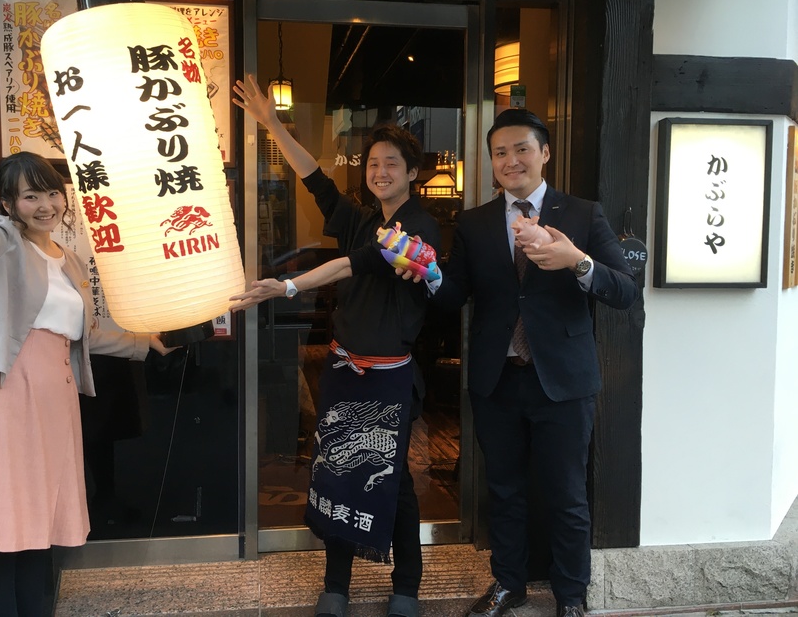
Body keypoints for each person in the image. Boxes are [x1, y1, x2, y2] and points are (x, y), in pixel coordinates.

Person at [0, 151, 176, 617]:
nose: (46, 205)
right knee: (5, 527)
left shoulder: (68, 259)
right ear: (9, 204)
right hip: (11, 392)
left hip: (55, 397)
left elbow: (83, 335)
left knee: (37, 526)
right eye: (30, 197)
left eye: (51, 193)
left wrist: (144, 343)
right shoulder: (1, 240)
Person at [230, 75, 440, 617]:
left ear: (412, 173)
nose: (380, 171)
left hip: (390, 376)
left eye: (391, 163)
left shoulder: (419, 229)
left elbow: (356, 263)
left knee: (393, 481)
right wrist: (272, 124)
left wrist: (288, 286)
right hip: (345, 371)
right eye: (373, 163)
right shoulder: (363, 218)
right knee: (337, 473)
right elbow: (316, 181)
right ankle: (337, 585)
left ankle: (406, 586)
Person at [420, 109, 638, 617]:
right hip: (497, 380)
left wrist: (577, 261)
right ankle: (508, 584)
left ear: (544, 154)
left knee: (566, 495)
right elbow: (454, 295)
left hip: (562, 381)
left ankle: (571, 596)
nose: (510, 160)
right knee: (504, 491)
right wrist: (427, 273)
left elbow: (626, 290)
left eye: (521, 149)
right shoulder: (474, 222)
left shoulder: (582, 213)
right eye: (500, 152)